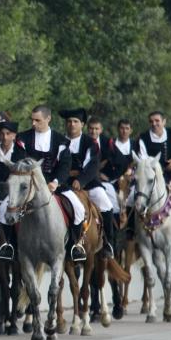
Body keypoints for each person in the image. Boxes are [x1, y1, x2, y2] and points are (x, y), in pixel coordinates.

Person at [16, 105, 87, 262]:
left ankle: (74, 246)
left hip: (55, 185)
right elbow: (20, 162)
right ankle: (10, 246)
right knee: (5, 209)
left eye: (38, 120)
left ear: (48, 119)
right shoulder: (22, 138)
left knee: (79, 209)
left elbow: (65, 165)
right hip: (29, 187)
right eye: (32, 120)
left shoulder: (61, 141)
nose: (34, 123)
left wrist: (55, 182)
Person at [60, 109, 115, 259]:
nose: (72, 124)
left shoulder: (90, 143)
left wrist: (80, 179)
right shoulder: (59, 141)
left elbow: (92, 166)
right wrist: (68, 176)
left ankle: (108, 243)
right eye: (69, 122)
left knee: (106, 204)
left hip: (89, 182)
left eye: (76, 122)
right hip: (63, 183)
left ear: (82, 125)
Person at [138, 111, 171, 245]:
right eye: (151, 121)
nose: (154, 124)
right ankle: (132, 231)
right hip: (151, 178)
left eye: (157, 121)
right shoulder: (143, 138)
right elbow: (143, 159)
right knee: (134, 198)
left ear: (164, 121)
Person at [0, 121, 27, 260]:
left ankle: (6, 243)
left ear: (14, 135)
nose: (5, 137)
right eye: (2, 134)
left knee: (3, 211)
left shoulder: (20, 153)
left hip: (13, 192)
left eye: (8, 134)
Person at [97, 118, 138, 240]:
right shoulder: (111, 143)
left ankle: (131, 227)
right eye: (121, 128)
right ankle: (110, 228)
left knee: (134, 198)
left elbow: (139, 162)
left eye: (127, 129)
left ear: (131, 130)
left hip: (131, 179)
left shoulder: (135, 145)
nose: (124, 131)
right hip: (112, 179)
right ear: (118, 129)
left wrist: (131, 174)